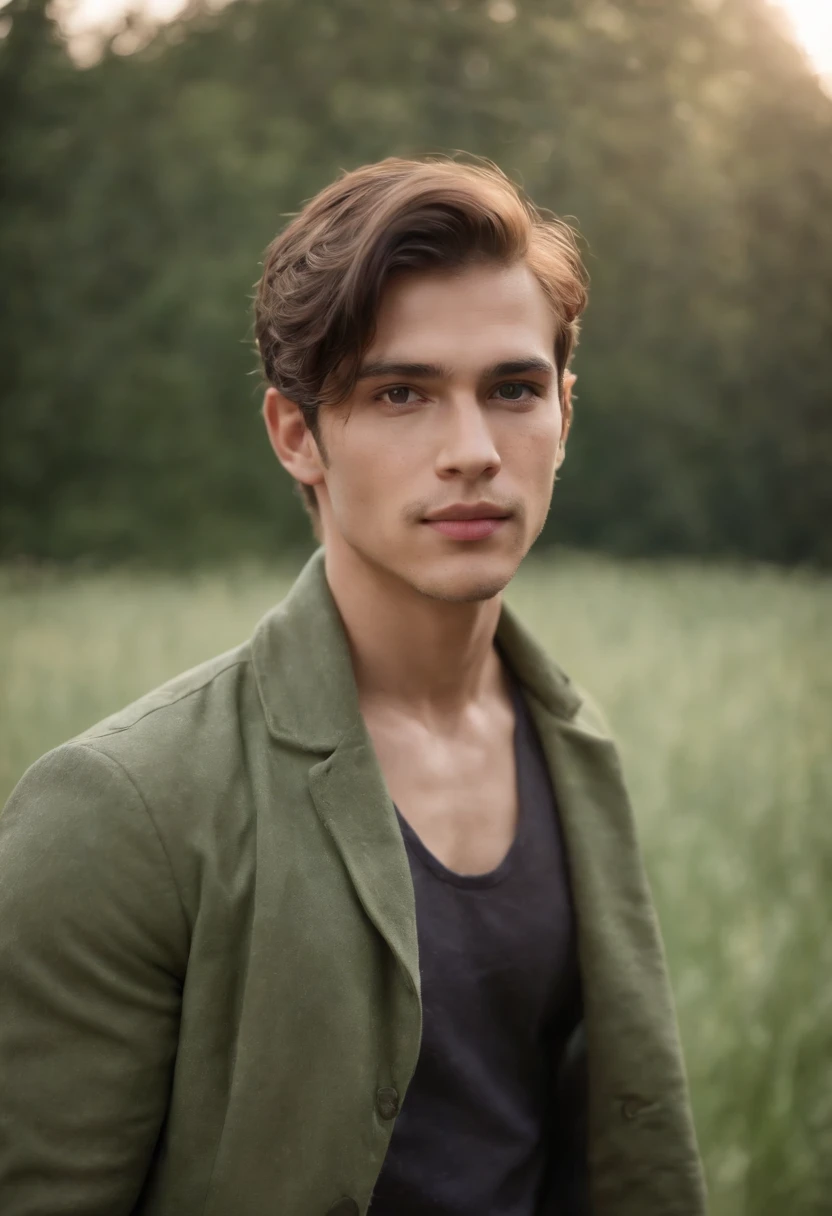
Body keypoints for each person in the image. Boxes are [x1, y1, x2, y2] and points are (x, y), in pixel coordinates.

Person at [0, 157, 706, 1216]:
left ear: (563, 411)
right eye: (401, 394)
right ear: (298, 437)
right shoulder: (118, 807)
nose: (471, 452)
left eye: (511, 389)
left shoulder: (572, 743)